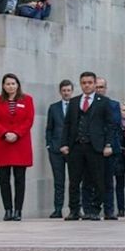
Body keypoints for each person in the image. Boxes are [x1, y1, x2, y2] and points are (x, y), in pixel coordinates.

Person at [60, 72, 116, 221]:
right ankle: (74, 210)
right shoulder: (74, 102)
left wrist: (108, 144)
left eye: (90, 82)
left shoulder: (103, 102)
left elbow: (111, 125)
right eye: (84, 82)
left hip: (95, 146)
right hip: (76, 146)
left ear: (94, 83)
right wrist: (64, 143)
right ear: (80, 84)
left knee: (98, 179)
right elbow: (67, 124)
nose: (87, 85)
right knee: (74, 180)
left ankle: (94, 210)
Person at [0, 73, 35, 221]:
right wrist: (4, 133)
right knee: (4, 179)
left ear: (18, 85)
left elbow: (29, 120)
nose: (11, 86)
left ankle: (18, 210)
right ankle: (8, 210)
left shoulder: (27, 100)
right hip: (2, 144)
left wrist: (16, 133)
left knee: (19, 179)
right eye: (8, 84)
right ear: (3, 86)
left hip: (20, 143)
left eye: (13, 83)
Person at [45, 80, 74, 218]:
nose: (66, 93)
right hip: (56, 149)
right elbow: (49, 128)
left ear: (72, 91)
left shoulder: (77, 105)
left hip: (73, 149)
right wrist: (49, 145)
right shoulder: (54, 107)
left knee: (75, 181)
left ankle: (75, 208)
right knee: (59, 181)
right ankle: (58, 208)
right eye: (64, 90)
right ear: (60, 91)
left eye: (68, 90)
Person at [94, 77, 122, 220]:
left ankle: (109, 210)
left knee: (108, 181)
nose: (99, 90)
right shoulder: (88, 104)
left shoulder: (113, 104)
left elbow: (115, 123)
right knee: (93, 181)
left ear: (106, 88)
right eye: (97, 87)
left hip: (110, 147)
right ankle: (93, 209)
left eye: (101, 87)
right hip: (93, 148)